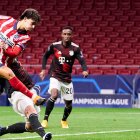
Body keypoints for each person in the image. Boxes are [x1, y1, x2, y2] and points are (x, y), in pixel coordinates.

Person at [40, 26, 88, 128]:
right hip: (55, 75)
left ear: (72, 35)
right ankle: (45, 120)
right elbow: (45, 56)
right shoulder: (54, 46)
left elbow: (82, 60)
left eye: (69, 34)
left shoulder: (75, 48)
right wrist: (43, 69)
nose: (66, 36)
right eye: (65, 34)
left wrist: (85, 70)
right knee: (54, 95)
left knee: (69, 104)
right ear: (61, 35)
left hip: (66, 79)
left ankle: (64, 120)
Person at [0, 8, 46, 105]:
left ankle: (33, 97)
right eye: (32, 23)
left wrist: (5, 48)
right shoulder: (7, 20)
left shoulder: (25, 37)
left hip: (4, 63)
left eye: (35, 25)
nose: (33, 27)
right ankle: (34, 97)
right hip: (4, 67)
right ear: (25, 18)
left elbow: (14, 53)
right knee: (9, 73)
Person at [0, 60, 52, 140]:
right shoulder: (2, 67)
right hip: (16, 93)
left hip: (29, 88)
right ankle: (44, 135)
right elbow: (14, 82)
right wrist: (33, 96)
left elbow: (17, 50)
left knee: (30, 126)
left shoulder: (8, 56)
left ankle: (2, 131)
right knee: (29, 110)